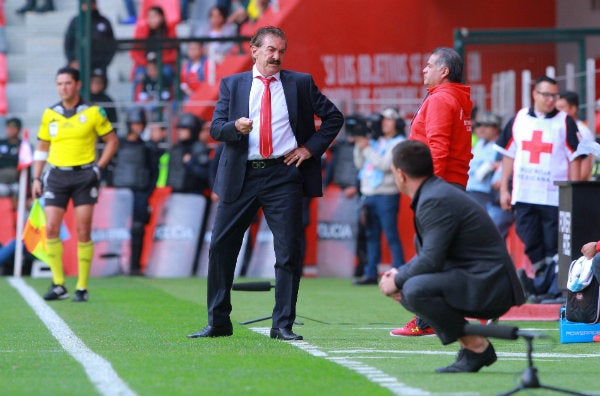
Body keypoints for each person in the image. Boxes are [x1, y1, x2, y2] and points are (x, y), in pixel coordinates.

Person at [187, 26, 343, 340]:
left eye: (281, 51)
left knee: (288, 251)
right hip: (241, 176)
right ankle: (218, 322)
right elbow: (216, 129)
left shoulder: (300, 83)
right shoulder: (233, 84)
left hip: (283, 175)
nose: (276, 56)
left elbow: (334, 118)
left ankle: (282, 324)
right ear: (254, 50)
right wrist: (235, 126)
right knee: (220, 247)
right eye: (271, 50)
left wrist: (309, 149)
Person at [379, 140, 525, 373]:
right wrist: (400, 277)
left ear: (400, 174)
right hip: (480, 278)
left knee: (415, 289)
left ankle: (477, 347)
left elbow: (430, 260)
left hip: (491, 286)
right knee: (410, 287)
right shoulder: (434, 193)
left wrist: (397, 279)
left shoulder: (434, 199)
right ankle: (473, 347)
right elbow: (432, 257)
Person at [392, 47, 473, 337]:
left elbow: (436, 148)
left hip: (440, 186)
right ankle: (441, 316)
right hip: (453, 184)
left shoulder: (441, 100)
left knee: (430, 252)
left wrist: (429, 188)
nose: (424, 70)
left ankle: (427, 320)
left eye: (429, 66)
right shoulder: (458, 99)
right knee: (441, 252)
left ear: (444, 71)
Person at [31, 66, 119, 302]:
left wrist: (98, 168)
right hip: (57, 175)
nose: (64, 88)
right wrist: (36, 177)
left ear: (78, 85)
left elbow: (111, 141)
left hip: (83, 176)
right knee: (50, 227)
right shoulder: (50, 113)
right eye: (60, 84)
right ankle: (59, 284)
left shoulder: (93, 112)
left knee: (82, 230)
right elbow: (42, 147)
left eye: (68, 83)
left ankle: (81, 287)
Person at [495, 75, 584, 302]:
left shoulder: (564, 121)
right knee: (531, 241)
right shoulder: (519, 119)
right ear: (534, 94)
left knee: (553, 245)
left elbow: (575, 158)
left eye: (554, 95)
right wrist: (504, 188)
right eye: (546, 95)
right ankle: (542, 284)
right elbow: (508, 155)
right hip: (524, 194)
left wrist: (572, 193)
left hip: (553, 196)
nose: (550, 100)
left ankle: (549, 288)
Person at [351, 108, 406, 285]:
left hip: (387, 195)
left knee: (391, 235)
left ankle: (399, 272)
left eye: (389, 120)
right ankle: (370, 273)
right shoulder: (376, 141)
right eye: (383, 120)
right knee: (371, 236)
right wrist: (360, 144)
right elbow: (360, 164)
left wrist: (366, 148)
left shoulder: (399, 142)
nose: (384, 123)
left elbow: (383, 165)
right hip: (369, 194)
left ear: (397, 123)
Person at [112, 107, 158, 275]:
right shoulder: (119, 144)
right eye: (135, 124)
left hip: (139, 192)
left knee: (138, 228)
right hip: (120, 191)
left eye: (140, 124)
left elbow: (154, 172)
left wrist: (147, 193)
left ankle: (134, 266)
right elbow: (110, 166)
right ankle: (114, 265)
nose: (138, 127)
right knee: (116, 229)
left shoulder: (147, 148)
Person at [466, 111, 514, 239]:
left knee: (483, 231)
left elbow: (504, 164)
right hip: (470, 189)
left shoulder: (499, 146)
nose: (481, 129)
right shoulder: (479, 144)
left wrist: (493, 166)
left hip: (485, 193)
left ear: (496, 128)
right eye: (479, 125)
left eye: (487, 126)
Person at [64, 0, 116, 75]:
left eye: (90, 3)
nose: (87, 6)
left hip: (98, 66)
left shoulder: (104, 21)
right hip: (78, 64)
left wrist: (103, 64)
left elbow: (111, 45)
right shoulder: (76, 21)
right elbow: (68, 43)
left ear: (95, 4)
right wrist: (72, 60)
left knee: (96, 84)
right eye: (84, 4)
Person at [130, 6, 178, 87]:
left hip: (163, 64)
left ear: (162, 17)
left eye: (155, 16)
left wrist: (159, 63)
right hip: (145, 65)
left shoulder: (170, 32)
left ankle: (168, 97)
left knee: (167, 71)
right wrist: (148, 65)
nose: (152, 20)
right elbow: (134, 53)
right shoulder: (141, 31)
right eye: (149, 17)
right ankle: (138, 99)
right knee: (139, 74)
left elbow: (175, 53)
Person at [166, 112, 212, 195]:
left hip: (193, 195)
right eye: (179, 129)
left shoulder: (199, 148)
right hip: (174, 194)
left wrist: (190, 163)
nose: (180, 132)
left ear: (193, 130)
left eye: (184, 129)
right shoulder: (176, 148)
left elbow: (207, 174)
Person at [556, 90, 596, 180]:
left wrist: (571, 189)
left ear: (573, 109)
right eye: (556, 108)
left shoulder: (582, 132)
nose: (558, 111)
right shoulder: (559, 127)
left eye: (561, 107)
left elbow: (585, 168)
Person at [0, 118, 24, 203]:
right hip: (1, 179)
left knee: (20, 190)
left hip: (16, 180)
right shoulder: (1, 143)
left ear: (19, 129)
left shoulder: (24, 146)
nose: (10, 130)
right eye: (8, 128)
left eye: (13, 128)